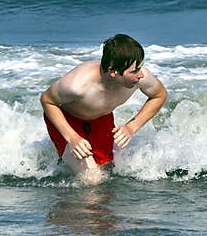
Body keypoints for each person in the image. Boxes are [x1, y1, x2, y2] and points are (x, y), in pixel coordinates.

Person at [41, 34, 167, 179]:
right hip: (67, 120)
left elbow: (159, 95)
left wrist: (132, 127)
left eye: (140, 66)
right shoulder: (78, 85)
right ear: (113, 71)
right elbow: (47, 100)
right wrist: (72, 137)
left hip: (101, 119)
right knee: (92, 178)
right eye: (134, 71)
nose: (141, 75)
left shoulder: (140, 78)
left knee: (108, 170)